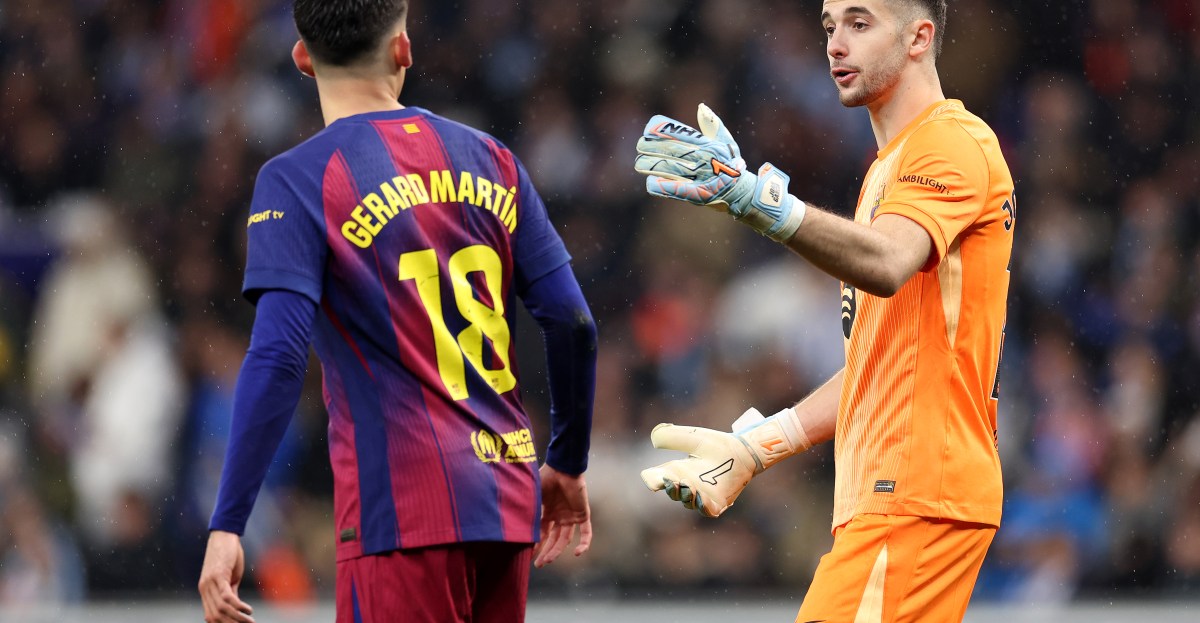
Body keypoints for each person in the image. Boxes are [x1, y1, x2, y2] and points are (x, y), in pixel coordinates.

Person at [197, 2, 598, 622]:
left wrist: (229, 522)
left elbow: (278, 357)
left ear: (302, 58)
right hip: (506, 500)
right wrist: (567, 461)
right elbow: (573, 322)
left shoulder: (298, 179)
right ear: (403, 48)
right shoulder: (493, 159)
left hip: (402, 510)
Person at [633, 1, 1013, 621]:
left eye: (860, 24)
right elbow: (880, 363)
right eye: (830, 26)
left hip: (913, 490)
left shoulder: (949, 141)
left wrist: (758, 203)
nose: (836, 43)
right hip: (898, 496)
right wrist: (759, 445)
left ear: (919, 37)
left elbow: (887, 262)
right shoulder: (889, 171)